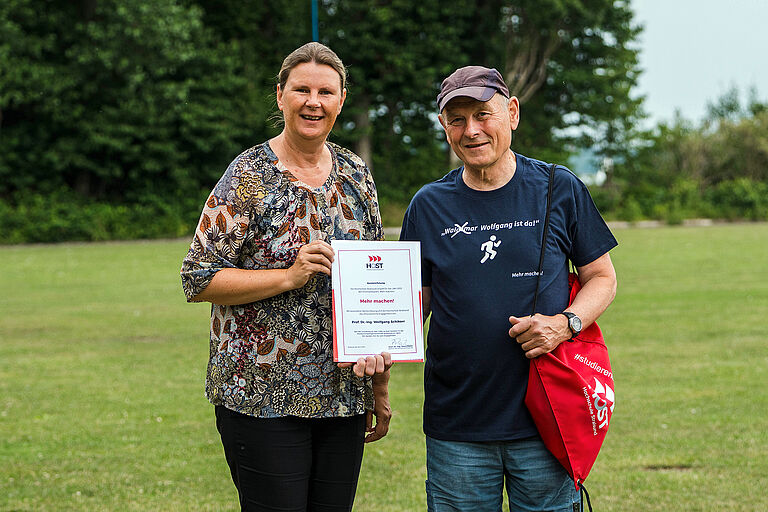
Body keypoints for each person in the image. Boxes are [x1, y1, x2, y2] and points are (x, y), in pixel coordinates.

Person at [180, 42, 392, 512]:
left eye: (325, 91)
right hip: (261, 395)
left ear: (341, 101)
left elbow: (377, 286)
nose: (312, 101)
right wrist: (287, 276)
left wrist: (378, 388)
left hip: (342, 395)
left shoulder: (357, 174)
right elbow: (198, 278)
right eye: (301, 89)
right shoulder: (248, 174)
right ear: (280, 97)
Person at [399, 66, 618, 512]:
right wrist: (373, 337)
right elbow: (412, 302)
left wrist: (565, 323)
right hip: (457, 424)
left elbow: (603, 278)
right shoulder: (428, 205)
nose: (471, 130)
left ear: (512, 113)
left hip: (546, 419)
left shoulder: (559, 187)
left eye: (483, 114)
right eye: (457, 119)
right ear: (444, 126)